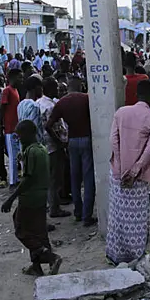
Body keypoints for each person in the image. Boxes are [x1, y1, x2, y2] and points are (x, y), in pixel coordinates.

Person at [106, 80, 150, 264]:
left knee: (117, 216)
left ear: (136, 94)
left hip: (117, 175)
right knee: (137, 220)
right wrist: (134, 171)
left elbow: (113, 141)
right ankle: (135, 257)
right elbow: (149, 150)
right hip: (137, 179)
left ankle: (115, 254)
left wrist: (123, 169)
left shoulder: (120, 113)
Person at [1, 119, 63, 277]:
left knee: (21, 227)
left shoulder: (31, 152)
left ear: (28, 134)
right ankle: (38, 265)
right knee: (39, 231)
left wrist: (11, 198)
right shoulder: (41, 149)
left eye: (20, 135)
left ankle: (50, 257)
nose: (19, 139)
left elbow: (27, 179)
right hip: (41, 196)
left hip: (30, 198)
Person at [47, 76, 96, 226]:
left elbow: (48, 126)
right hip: (87, 139)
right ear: (80, 86)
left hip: (72, 141)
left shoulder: (62, 103)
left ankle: (78, 212)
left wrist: (60, 142)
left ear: (68, 87)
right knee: (88, 179)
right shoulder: (87, 99)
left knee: (75, 178)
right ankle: (87, 215)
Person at [37, 77, 71, 218]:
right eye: (56, 87)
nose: (58, 90)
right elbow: (52, 127)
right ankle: (55, 208)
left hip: (44, 144)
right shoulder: (50, 106)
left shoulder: (39, 103)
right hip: (53, 146)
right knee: (55, 179)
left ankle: (51, 206)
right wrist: (60, 143)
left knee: (50, 178)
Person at [2, 69, 23, 186]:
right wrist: (3, 126)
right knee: (13, 157)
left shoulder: (15, 91)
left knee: (19, 155)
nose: (21, 80)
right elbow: (2, 108)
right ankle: (12, 181)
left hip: (17, 127)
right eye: (20, 77)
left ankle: (17, 179)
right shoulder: (7, 91)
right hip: (10, 128)